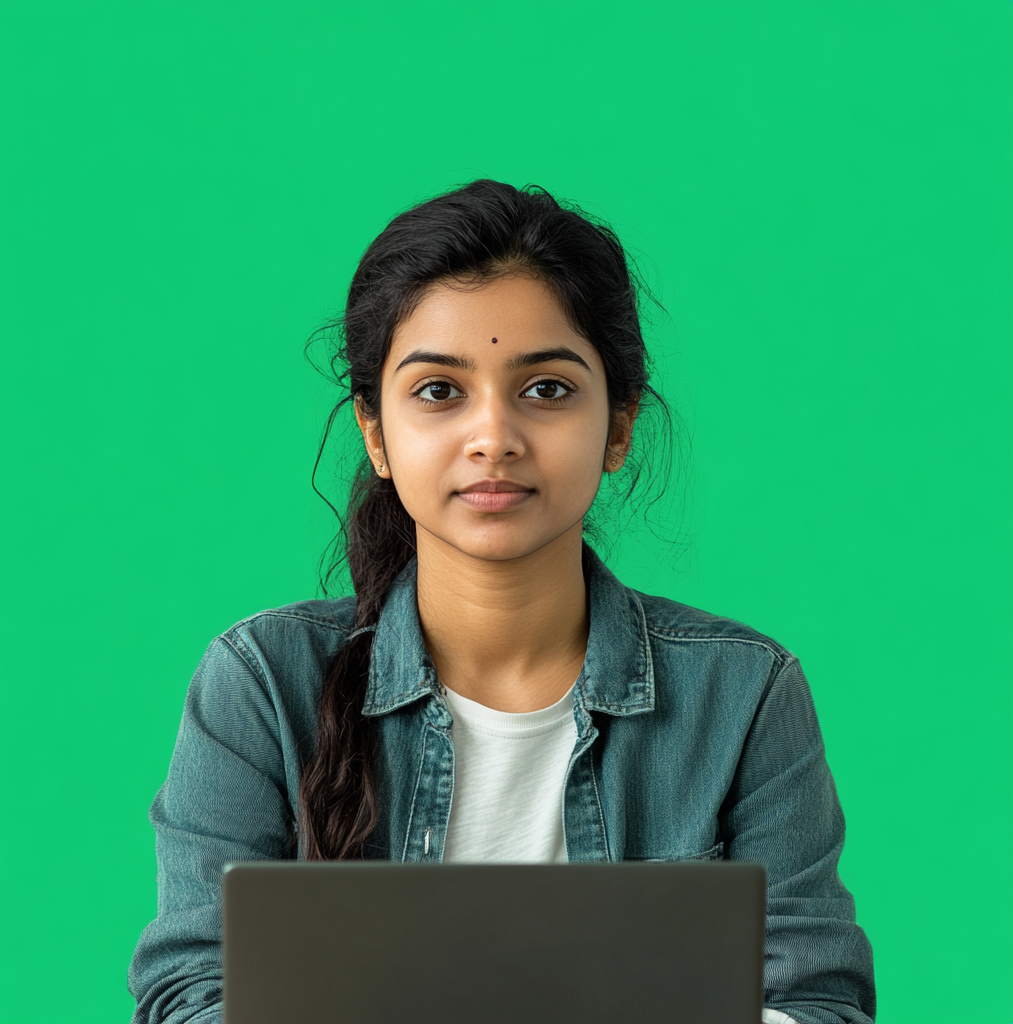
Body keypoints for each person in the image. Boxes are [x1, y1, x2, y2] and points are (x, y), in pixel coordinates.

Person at [128, 180, 875, 1024]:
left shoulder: (744, 695)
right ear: (376, 434)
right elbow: (190, 995)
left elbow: (814, 1002)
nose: (494, 437)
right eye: (439, 392)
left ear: (619, 427)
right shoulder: (261, 683)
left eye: (547, 389)